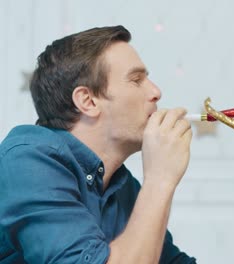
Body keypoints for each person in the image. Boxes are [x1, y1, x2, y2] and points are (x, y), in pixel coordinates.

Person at [0, 25, 196, 263]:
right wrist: (159, 180)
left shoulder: (121, 185)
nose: (156, 92)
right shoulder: (26, 162)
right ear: (88, 100)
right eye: (136, 80)